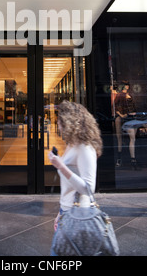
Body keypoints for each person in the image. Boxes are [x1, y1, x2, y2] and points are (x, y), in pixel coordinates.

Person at [48, 100, 103, 256]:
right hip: (67, 212)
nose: (57, 125)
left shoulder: (84, 148)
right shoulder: (72, 144)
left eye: (59, 121)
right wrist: (60, 212)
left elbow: (88, 188)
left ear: (68, 122)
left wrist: (61, 167)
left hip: (79, 215)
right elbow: (70, 186)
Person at [114, 81, 138, 169]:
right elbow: (115, 106)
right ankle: (120, 158)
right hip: (123, 117)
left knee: (132, 139)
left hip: (131, 117)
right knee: (119, 138)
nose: (126, 87)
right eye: (125, 85)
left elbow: (133, 107)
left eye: (127, 85)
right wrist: (121, 115)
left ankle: (133, 160)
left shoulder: (129, 95)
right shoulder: (120, 95)